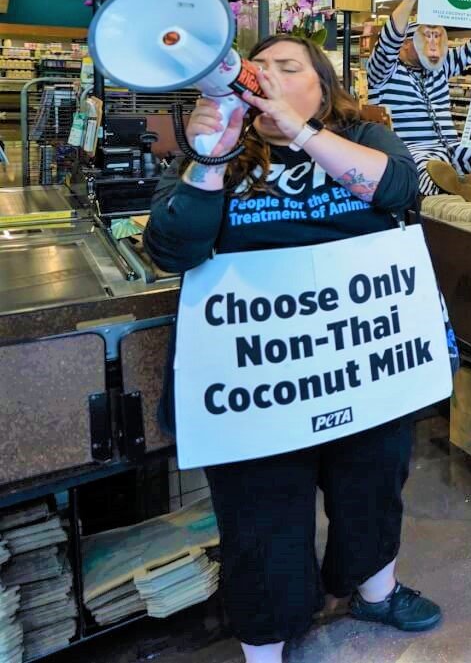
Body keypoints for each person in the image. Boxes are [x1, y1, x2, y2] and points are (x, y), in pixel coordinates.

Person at [144, 36, 439, 663]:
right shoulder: (220, 154)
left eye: (288, 67)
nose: (266, 76)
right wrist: (208, 159)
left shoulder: (364, 134)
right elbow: (173, 249)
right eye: (259, 68)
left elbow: (398, 191)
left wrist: (302, 133)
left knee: (373, 485)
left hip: (364, 365)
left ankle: (374, 590)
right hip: (259, 379)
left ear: (323, 88)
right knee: (260, 514)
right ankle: (266, 642)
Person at [367, 0, 471, 196]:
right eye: (426, 36)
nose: (434, 45)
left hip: (451, 152)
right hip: (411, 152)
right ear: (405, 43)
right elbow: (388, 41)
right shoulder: (384, 72)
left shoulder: (440, 68)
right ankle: (460, 188)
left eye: (438, 36)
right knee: (422, 170)